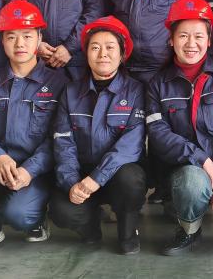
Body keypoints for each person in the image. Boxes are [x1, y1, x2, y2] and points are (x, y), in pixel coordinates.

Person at [147, 0, 213, 256]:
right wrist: (200, 158)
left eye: (198, 36)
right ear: (171, 39)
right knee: (191, 184)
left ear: (209, 40)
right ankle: (189, 228)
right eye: (183, 36)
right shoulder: (158, 83)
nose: (191, 43)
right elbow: (158, 133)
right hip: (187, 166)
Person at [0, 0, 67, 255]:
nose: (19, 44)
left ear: (39, 39)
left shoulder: (58, 84)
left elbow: (60, 138)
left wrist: (30, 169)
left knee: (19, 215)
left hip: (35, 169)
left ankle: (36, 218)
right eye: (11, 37)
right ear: (2, 41)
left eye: (27, 36)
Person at [50, 16, 147, 255]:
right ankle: (91, 227)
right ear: (86, 54)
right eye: (95, 47)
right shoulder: (71, 92)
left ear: (122, 54)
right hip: (81, 174)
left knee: (132, 179)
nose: (102, 54)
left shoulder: (136, 91)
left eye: (110, 47)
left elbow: (130, 145)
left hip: (117, 175)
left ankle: (128, 231)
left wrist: (96, 178)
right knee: (60, 210)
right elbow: (63, 142)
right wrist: (72, 183)